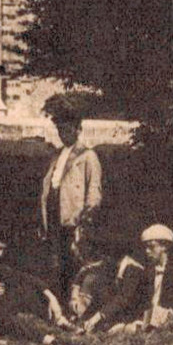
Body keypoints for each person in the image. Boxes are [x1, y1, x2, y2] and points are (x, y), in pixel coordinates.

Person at [39, 100, 103, 297]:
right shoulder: (57, 155)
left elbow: (94, 191)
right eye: (59, 130)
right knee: (55, 259)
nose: (63, 134)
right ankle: (57, 301)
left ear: (77, 130)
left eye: (67, 129)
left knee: (73, 260)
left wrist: (85, 219)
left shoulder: (88, 156)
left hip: (73, 217)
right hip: (53, 213)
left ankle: (75, 302)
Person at [81, 224, 173, 334]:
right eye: (145, 247)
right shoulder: (148, 271)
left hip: (169, 316)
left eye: (151, 247)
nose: (147, 251)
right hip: (148, 317)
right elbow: (137, 302)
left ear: (164, 246)